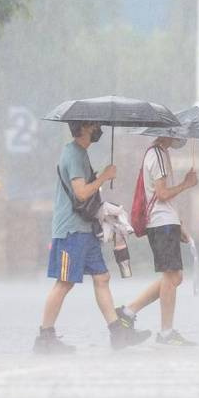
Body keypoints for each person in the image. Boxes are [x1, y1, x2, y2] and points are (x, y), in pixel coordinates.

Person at [34, 121, 151, 354]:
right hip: (71, 231)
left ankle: (118, 334)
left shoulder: (81, 154)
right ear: (84, 127)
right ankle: (45, 338)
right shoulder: (73, 154)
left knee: (102, 277)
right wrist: (104, 177)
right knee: (64, 282)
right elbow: (81, 192)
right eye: (95, 125)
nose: (98, 128)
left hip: (86, 230)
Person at [120, 136, 198, 346]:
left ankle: (128, 312)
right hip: (161, 223)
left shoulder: (160, 154)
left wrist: (178, 224)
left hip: (166, 223)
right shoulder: (157, 155)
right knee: (171, 277)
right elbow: (162, 194)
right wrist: (186, 184)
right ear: (167, 133)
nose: (179, 137)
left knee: (174, 277)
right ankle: (165, 332)